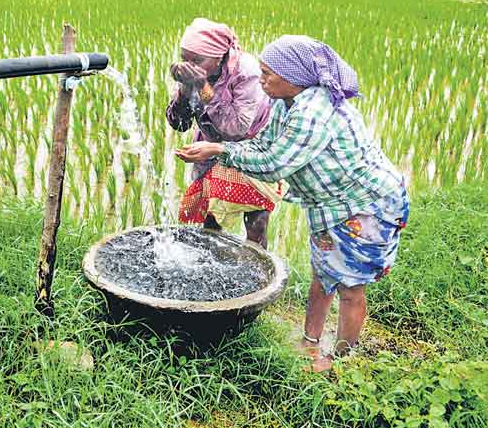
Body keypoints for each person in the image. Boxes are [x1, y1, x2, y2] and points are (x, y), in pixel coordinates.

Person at [175, 35, 409, 372]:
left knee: (350, 286)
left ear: (295, 76)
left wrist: (220, 150)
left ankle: (341, 361)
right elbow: (261, 147)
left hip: (365, 205)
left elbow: (275, 165)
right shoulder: (284, 104)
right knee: (323, 274)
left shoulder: (316, 109)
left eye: (268, 73)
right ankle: (311, 342)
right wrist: (216, 149)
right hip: (329, 206)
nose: (261, 79)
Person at [166, 18, 283, 248]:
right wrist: (184, 89)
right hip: (208, 149)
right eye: (185, 59)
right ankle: (210, 264)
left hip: (250, 150)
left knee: (256, 222)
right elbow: (179, 123)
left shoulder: (246, 72)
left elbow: (236, 128)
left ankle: (257, 272)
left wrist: (203, 88)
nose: (190, 65)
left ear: (219, 56)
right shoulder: (193, 75)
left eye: (197, 60)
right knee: (210, 217)